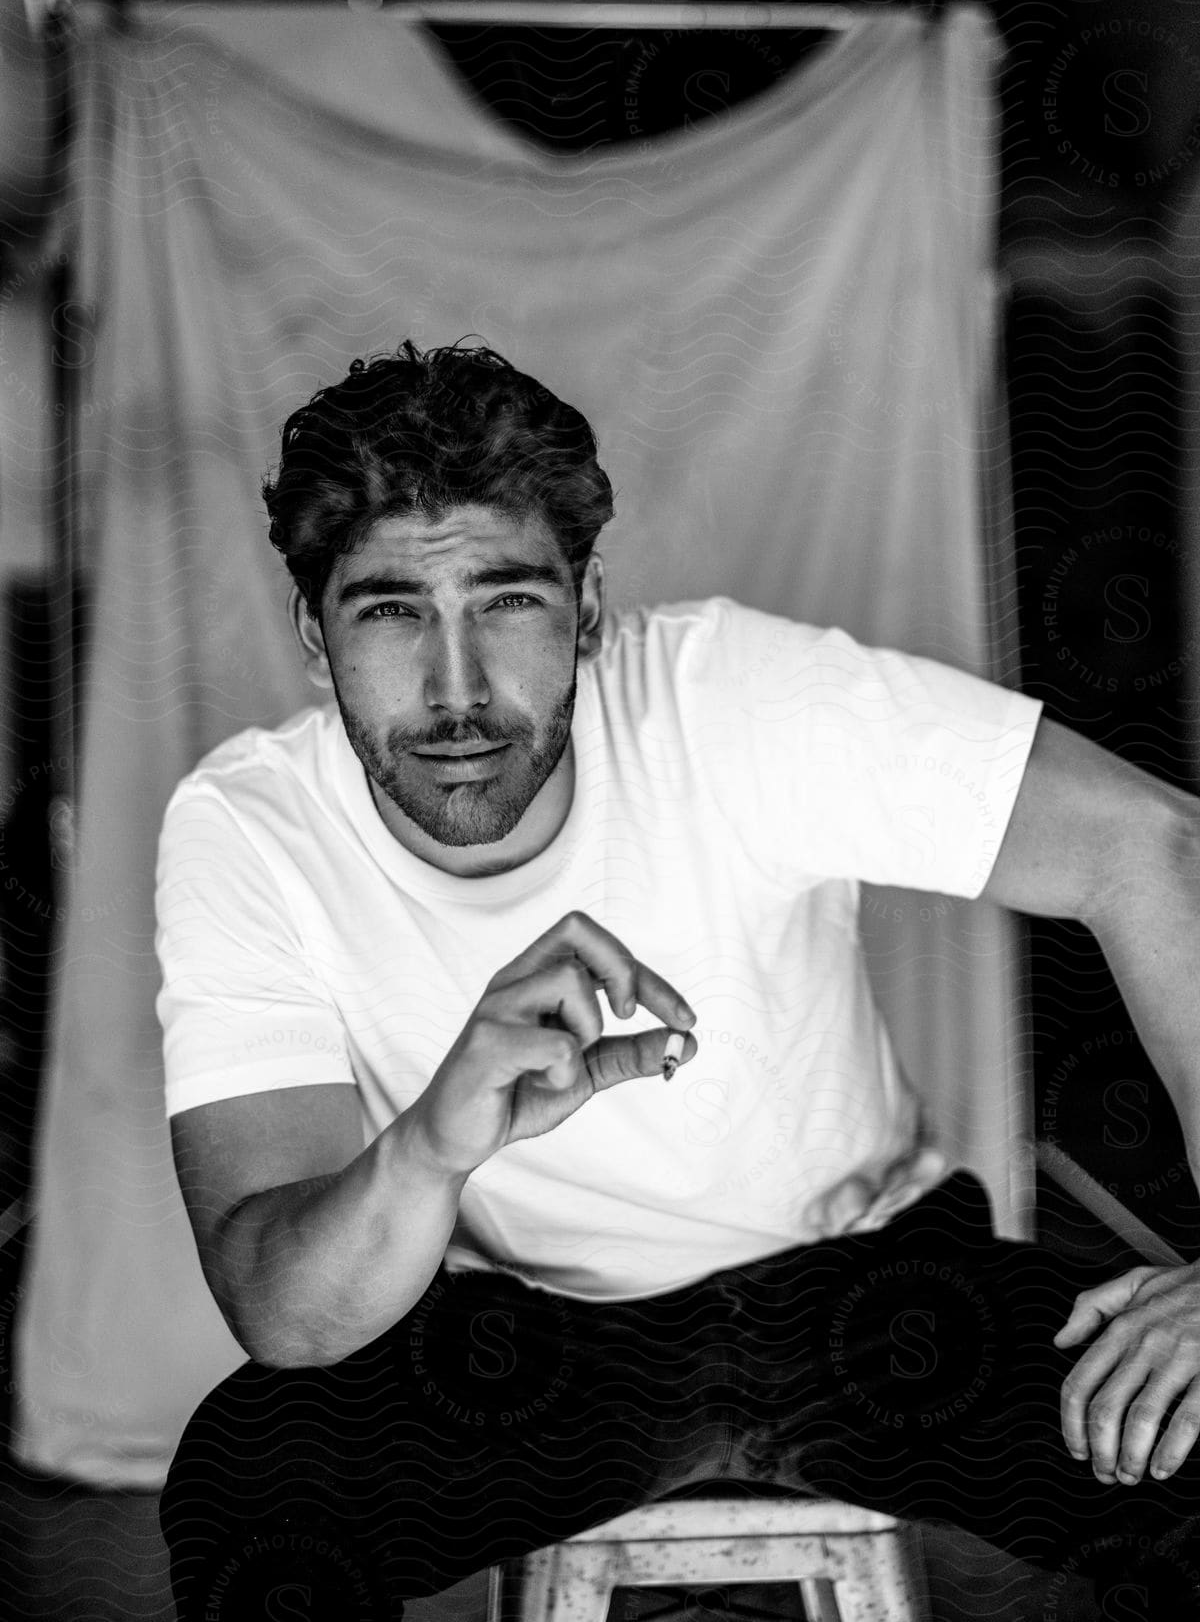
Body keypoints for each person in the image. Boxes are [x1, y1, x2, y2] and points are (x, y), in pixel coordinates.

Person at [158, 340, 1200, 1622]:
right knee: (250, 1484)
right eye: (389, 613)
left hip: (871, 1293)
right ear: (314, 640)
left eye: (508, 602)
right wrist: (428, 1146)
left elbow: (1147, 847)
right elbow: (287, 1311)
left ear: (589, 611)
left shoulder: (730, 697)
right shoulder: (249, 826)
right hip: (527, 1336)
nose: (457, 688)